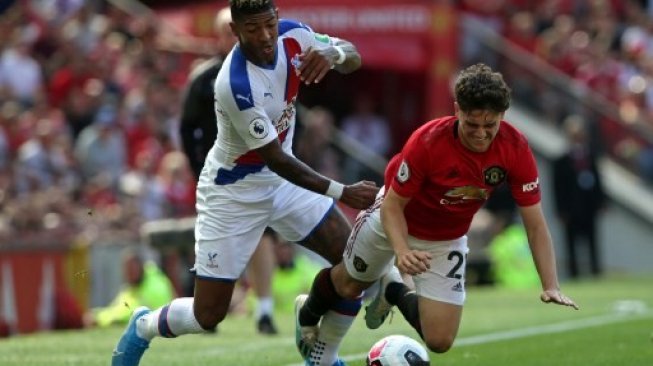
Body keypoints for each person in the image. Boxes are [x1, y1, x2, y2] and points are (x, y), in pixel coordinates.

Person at [111, 1, 378, 365]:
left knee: (356, 264)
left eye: (269, 24)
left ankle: (321, 353)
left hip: (284, 183)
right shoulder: (235, 83)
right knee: (207, 315)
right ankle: (143, 326)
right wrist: (342, 191)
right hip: (234, 193)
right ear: (236, 31)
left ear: (278, 18)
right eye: (253, 29)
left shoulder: (295, 34)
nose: (265, 36)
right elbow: (276, 159)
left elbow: (354, 55)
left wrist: (333, 52)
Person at [295, 63, 578, 364]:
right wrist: (402, 251)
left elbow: (534, 224)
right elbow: (392, 206)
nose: (481, 134)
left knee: (440, 340)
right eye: (472, 124)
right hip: (393, 219)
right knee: (350, 285)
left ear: (502, 117)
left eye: (490, 125)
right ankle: (308, 311)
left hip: (446, 237)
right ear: (457, 110)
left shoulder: (516, 148)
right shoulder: (428, 141)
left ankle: (392, 289)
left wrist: (550, 285)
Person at [178, 6, 279, 334]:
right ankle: (211, 307)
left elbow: (292, 116)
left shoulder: (268, 69)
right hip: (220, 177)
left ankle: (263, 308)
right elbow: (186, 128)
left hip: (261, 171)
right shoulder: (205, 78)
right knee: (217, 242)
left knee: (262, 236)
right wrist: (197, 169)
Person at [552, 114, 605, 278]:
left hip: (589, 205)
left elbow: (598, 181)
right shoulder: (561, 161)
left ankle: (596, 270)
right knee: (571, 242)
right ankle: (574, 273)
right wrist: (561, 210)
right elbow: (557, 188)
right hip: (571, 208)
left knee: (592, 240)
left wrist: (601, 202)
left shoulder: (591, 157)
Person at [85, 248, 175, 328]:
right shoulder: (133, 287)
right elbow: (116, 309)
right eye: (126, 269)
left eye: (132, 269)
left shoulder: (155, 286)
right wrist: (96, 314)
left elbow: (131, 313)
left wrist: (99, 319)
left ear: (140, 267)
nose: (128, 273)